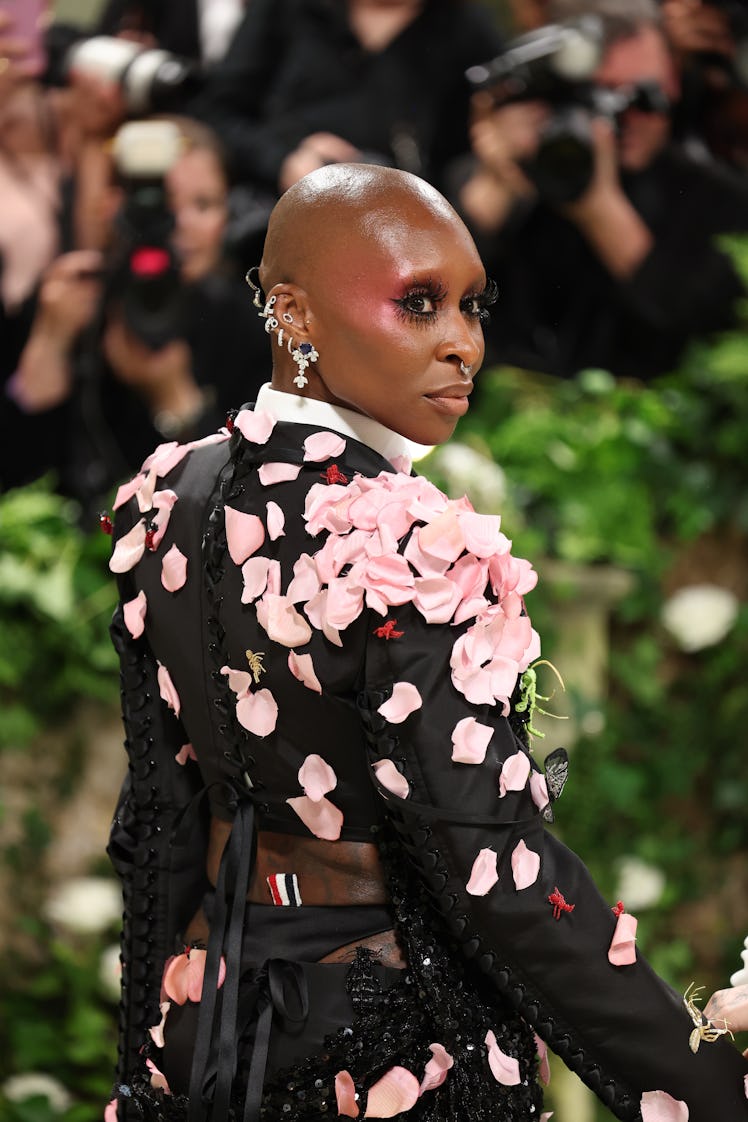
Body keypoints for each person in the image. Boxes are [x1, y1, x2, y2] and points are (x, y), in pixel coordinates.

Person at [106, 163, 748, 1122]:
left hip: (213, 1027)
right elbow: (497, 875)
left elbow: (157, 828)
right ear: (296, 313)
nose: (464, 345)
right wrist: (711, 1092)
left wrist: (147, 1066)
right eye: (419, 304)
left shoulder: (165, 495)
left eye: (472, 307)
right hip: (392, 1044)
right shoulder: (411, 536)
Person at [457, 0, 748, 380]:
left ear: (674, 84)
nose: (627, 118)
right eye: (605, 95)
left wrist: (599, 207)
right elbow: (436, 295)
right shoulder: (523, 178)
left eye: (646, 96)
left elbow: (703, 333)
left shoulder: (718, 201)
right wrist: (499, 181)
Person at [1, 116, 269, 512]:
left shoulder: (249, 326)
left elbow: (244, 504)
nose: (180, 225)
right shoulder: (65, 300)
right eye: (161, 206)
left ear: (226, 214)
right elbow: (15, 482)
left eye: (204, 204)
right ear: (111, 206)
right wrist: (50, 343)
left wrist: (174, 398)